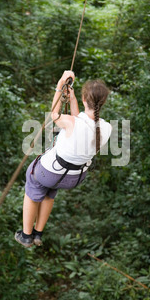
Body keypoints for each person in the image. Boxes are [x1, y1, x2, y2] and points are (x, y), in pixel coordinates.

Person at [15, 70, 112, 248]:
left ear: (85, 100)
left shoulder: (71, 122)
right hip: (74, 178)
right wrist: (73, 99)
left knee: (32, 176)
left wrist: (60, 87)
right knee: (48, 190)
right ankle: (38, 233)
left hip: (52, 172)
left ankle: (26, 235)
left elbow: (54, 115)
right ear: (103, 102)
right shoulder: (106, 127)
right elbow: (81, 122)